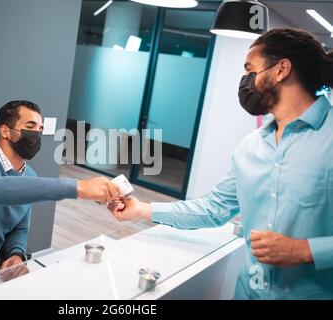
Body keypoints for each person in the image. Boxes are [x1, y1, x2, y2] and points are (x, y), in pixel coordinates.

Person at [109, 28, 333, 299]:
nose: (245, 81)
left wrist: (306, 250)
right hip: (247, 293)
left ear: (281, 69)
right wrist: (141, 210)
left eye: (251, 69)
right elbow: (214, 208)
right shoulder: (250, 147)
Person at [0, 100, 119, 279]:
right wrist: (79, 187)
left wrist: (16, 254)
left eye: (40, 129)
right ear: (5, 131)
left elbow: (19, 227)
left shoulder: (29, 176)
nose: (36, 134)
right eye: (30, 127)